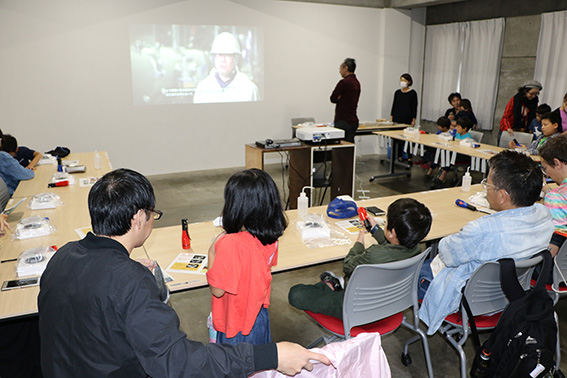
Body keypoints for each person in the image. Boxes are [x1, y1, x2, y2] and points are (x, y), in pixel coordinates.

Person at [38, 168, 329, 378]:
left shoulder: (63, 256)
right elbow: (177, 361)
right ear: (139, 217)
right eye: (153, 214)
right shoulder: (130, 281)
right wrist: (273, 355)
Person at [418, 150, 555, 334]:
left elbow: (447, 254)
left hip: (467, 302)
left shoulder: (482, 230)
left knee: (415, 272)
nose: (486, 189)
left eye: (487, 184)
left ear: (502, 196)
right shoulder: (543, 215)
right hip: (510, 295)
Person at [288, 198, 432, 320]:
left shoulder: (374, 254)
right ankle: (337, 283)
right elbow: (393, 248)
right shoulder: (417, 250)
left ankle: (332, 286)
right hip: (390, 305)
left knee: (296, 293)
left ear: (393, 232)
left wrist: (360, 240)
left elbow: (348, 264)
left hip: (356, 308)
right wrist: (375, 229)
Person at [207, 169, 287, 345]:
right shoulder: (271, 238)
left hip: (234, 325)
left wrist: (212, 252)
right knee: (259, 367)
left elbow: (217, 290)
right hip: (258, 318)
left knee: (233, 367)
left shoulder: (230, 243)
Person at [193, 32, 259, 104]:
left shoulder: (249, 89)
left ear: (236, 58)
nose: (223, 60)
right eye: (219, 55)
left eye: (227, 55)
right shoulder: (202, 88)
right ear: (214, 58)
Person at [539, 134, 567, 257]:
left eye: (545, 169)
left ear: (557, 163)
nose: (547, 175)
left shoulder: (556, 197)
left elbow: (552, 251)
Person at [431, 118, 474, 187]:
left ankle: (442, 175)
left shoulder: (468, 138)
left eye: (458, 127)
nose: (456, 128)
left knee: (448, 157)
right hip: (454, 153)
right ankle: (440, 173)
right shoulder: (457, 134)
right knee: (443, 154)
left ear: (464, 128)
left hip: (462, 156)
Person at [330, 58, 361, 143]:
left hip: (343, 120)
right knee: (350, 147)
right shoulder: (357, 83)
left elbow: (333, 98)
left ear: (346, 68)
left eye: (340, 68)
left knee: (340, 148)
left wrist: (340, 97)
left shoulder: (344, 82)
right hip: (353, 120)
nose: (340, 71)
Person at [423, 117, 451, 181]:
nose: (438, 127)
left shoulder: (450, 134)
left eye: (439, 126)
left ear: (444, 127)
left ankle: (441, 175)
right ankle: (429, 171)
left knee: (442, 157)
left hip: (447, 152)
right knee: (434, 155)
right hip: (438, 150)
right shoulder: (439, 132)